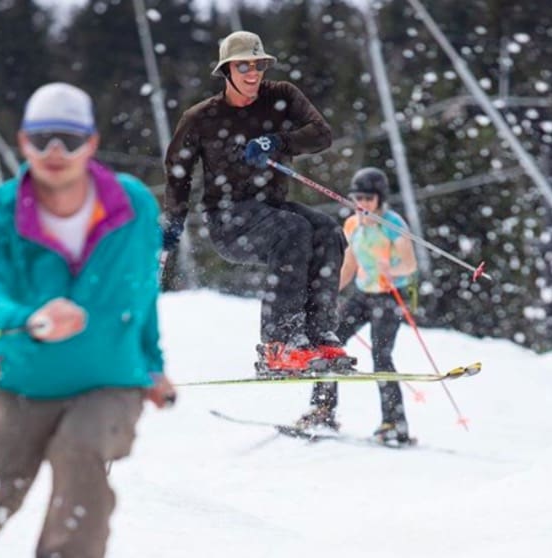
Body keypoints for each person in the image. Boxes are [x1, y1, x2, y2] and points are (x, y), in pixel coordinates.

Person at [0, 82, 176, 558]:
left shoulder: (132, 205)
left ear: (90, 142)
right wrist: (23, 319)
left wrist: (152, 363)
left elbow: (143, 292)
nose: (54, 151)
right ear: (23, 141)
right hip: (21, 380)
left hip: (108, 381)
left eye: (68, 138)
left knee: (80, 455)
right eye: (42, 137)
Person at [163, 30, 350, 375]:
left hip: (272, 210)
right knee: (293, 230)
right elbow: (178, 169)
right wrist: (174, 218)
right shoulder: (201, 118)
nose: (253, 74)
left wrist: (277, 142)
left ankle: (318, 333)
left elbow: (321, 134)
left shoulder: (281, 96)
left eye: (259, 64)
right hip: (228, 220)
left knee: (327, 231)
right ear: (226, 71)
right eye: (243, 66)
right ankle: (278, 343)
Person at [297, 167, 418, 445]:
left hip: (389, 297)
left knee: (381, 356)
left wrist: (394, 268)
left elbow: (410, 265)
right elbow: (349, 265)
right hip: (363, 296)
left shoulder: (391, 223)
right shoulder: (352, 225)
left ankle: (394, 423)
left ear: (380, 199)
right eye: (358, 198)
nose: (362, 204)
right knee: (329, 346)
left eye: (368, 198)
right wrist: (325, 294)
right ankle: (323, 410)